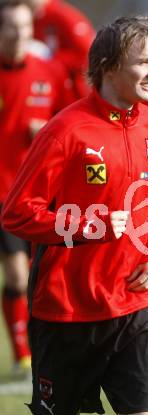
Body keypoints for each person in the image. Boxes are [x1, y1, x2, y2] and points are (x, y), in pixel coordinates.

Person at [2, 14, 148, 415]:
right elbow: (17, 213)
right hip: (67, 310)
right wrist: (84, 225)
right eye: (144, 63)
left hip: (134, 305)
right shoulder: (65, 130)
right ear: (110, 67)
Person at [0, 0, 72, 377]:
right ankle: (22, 353)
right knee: (15, 274)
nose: (18, 35)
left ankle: (45, 344)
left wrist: (45, 130)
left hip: (40, 192)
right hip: (2, 193)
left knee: (40, 274)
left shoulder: (50, 70)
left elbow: (68, 123)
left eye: (25, 28)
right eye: (11, 27)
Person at [25, 0, 95, 99]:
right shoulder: (32, 15)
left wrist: (49, 61)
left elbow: (87, 53)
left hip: (72, 93)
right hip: (43, 89)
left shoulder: (62, 15)